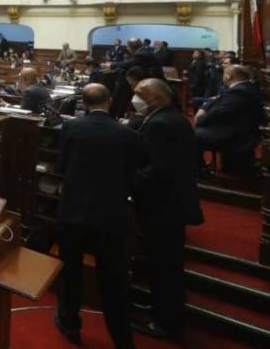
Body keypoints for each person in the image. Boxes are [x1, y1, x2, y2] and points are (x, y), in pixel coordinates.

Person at [53, 84, 138, 349]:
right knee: (113, 279)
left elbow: (61, 166)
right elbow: (133, 173)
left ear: (84, 103)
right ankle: (122, 338)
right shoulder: (128, 133)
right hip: (111, 214)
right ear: (110, 101)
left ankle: (69, 323)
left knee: (71, 269)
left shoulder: (71, 128)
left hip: (73, 210)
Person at [130, 79, 204, 341]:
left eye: (139, 95)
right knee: (165, 262)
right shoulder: (172, 117)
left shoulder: (161, 123)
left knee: (164, 264)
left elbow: (158, 171)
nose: (134, 99)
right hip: (172, 201)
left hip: (164, 205)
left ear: (155, 98)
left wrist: (128, 180)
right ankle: (159, 307)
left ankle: (166, 323)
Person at [194, 65, 264, 174]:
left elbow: (220, 112)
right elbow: (219, 101)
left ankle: (198, 171)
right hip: (237, 129)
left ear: (229, 76)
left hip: (235, 135)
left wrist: (201, 118)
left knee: (191, 134)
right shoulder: (245, 87)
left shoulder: (239, 91)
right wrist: (205, 107)